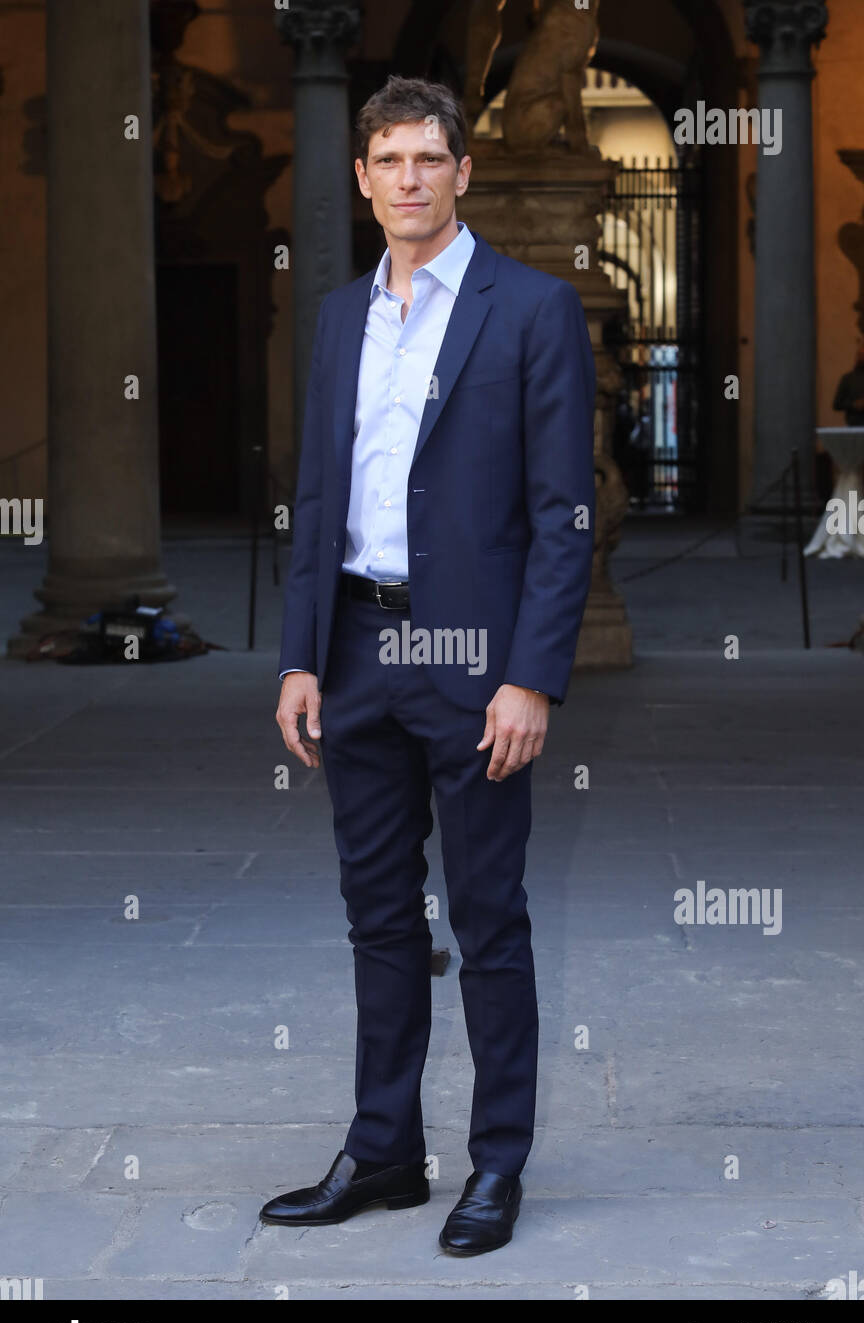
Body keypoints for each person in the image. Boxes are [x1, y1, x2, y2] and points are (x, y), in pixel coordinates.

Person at [259, 75, 596, 1256]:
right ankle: (384, 1149)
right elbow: (318, 496)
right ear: (361, 179)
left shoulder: (532, 310)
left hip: (472, 666)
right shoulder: (341, 316)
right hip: (356, 652)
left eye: (427, 158)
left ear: (463, 172)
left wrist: (529, 676)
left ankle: (494, 1165)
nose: (407, 177)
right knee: (378, 918)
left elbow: (563, 513)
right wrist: (302, 657)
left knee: (489, 920)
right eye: (387, 160)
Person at [832, 340, 864, 427]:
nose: (862, 358)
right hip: (854, 426)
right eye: (860, 355)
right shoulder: (848, 378)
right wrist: (854, 404)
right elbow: (837, 404)